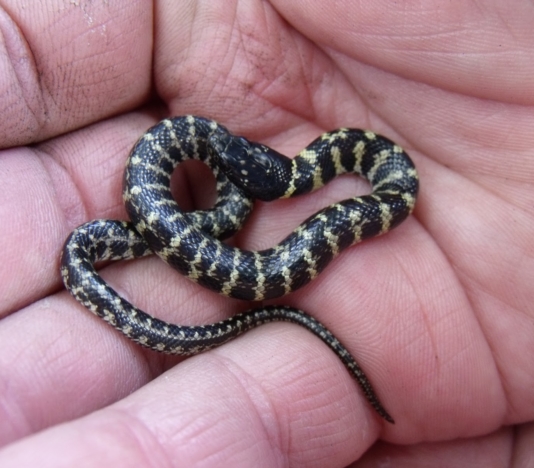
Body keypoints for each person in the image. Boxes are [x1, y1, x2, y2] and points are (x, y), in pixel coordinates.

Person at [1, 1, 532, 466]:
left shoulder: (376, 178)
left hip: (262, 218)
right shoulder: (253, 172)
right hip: (200, 218)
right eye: (231, 160)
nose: (227, 152)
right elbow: (232, 161)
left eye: (239, 165)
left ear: (279, 178)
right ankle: (98, 256)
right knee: (163, 224)